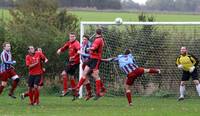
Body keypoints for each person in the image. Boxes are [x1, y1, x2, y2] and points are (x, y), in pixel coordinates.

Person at [75, 29, 106, 100]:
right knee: (85, 73)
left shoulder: (98, 40)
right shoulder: (99, 39)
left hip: (95, 59)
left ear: (96, 33)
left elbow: (94, 48)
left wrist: (89, 48)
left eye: (85, 39)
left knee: (95, 76)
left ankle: (98, 92)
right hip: (91, 59)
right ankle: (77, 88)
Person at [57, 32, 80, 100]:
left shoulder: (76, 43)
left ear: (75, 37)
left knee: (63, 74)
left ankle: (65, 90)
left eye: (73, 36)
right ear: (69, 37)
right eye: (70, 36)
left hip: (74, 62)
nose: (72, 38)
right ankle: (76, 93)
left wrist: (74, 56)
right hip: (72, 62)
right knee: (71, 77)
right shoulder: (69, 42)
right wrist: (60, 50)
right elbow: (64, 47)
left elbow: (79, 51)